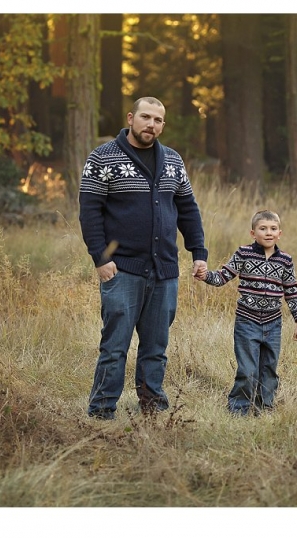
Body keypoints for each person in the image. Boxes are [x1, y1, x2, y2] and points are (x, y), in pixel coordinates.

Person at [79, 96, 208, 420]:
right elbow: (89, 211)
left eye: (158, 120)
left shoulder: (172, 161)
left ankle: (153, 409)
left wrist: (198, 252)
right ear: (131, 118)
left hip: (164, 270)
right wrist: (100, 257)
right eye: (146, 117)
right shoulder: (102, 158)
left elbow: (188, 209)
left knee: (155, 349)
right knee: (114, 347)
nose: (151, 124)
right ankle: (101, 411)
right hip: (121, 269)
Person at [195, 210, 297, 416]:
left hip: (273, 324)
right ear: (253, 233)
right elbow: (222, 276)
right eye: (263, 228)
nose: (268, 233)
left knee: (269, 369)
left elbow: (292, 290)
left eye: (273, 229)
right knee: (247, 369)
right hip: (247, 321)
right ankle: (239, 408)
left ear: (279, 233)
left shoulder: (285, 260)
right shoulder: (244, 253)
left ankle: (264, 407)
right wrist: (205, 276)